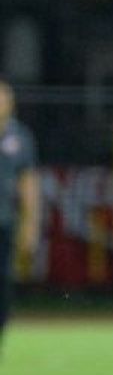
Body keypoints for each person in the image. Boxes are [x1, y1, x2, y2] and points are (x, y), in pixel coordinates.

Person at [0, 79, 39, 355]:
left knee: (3, 287)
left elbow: (28, 184)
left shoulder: (19, 137)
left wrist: (30, 225)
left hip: (3, 223)